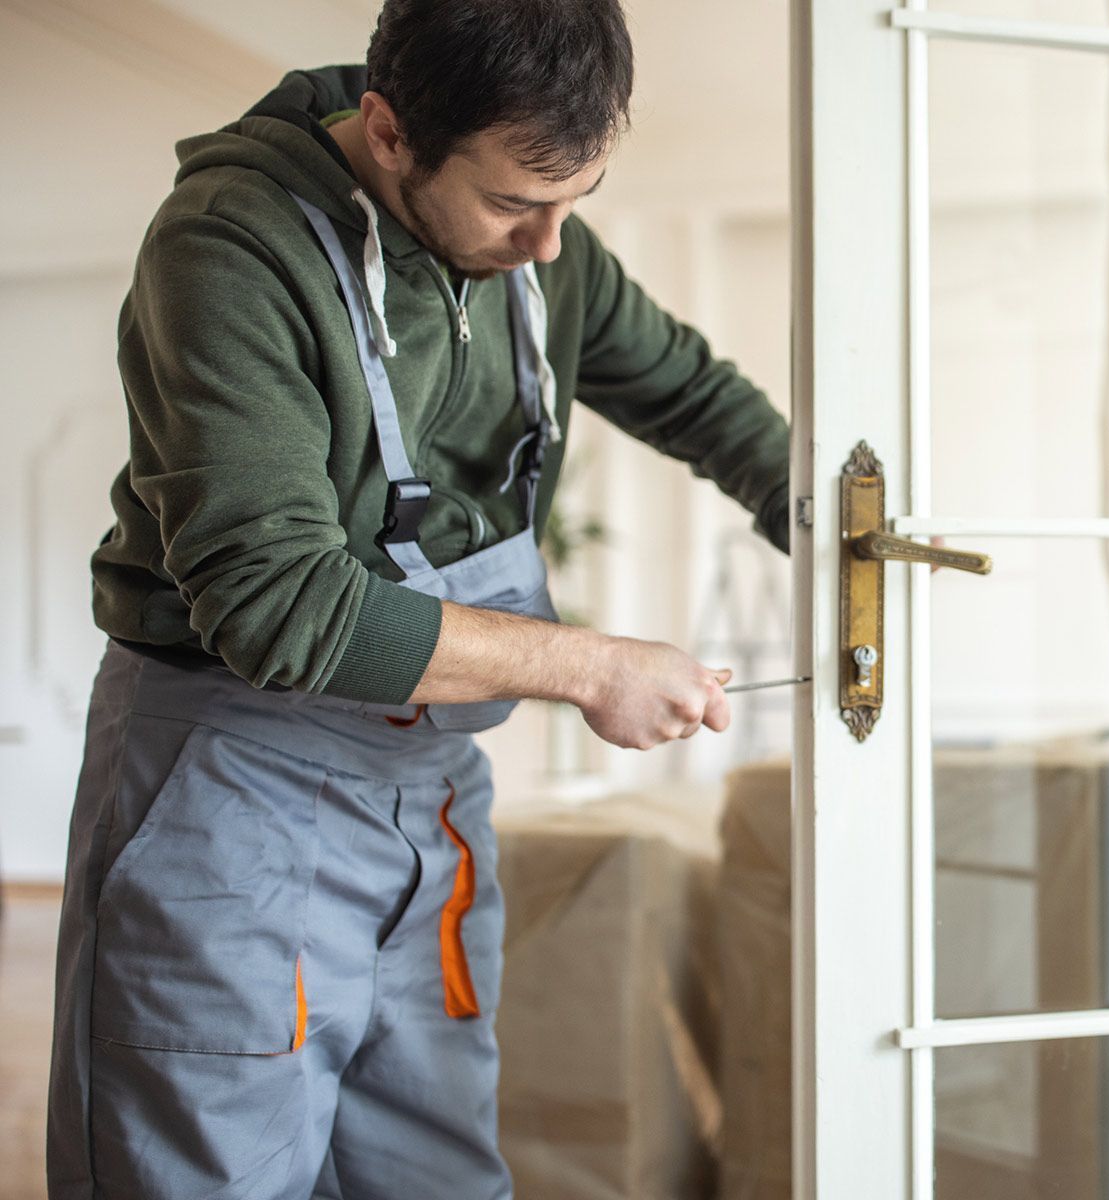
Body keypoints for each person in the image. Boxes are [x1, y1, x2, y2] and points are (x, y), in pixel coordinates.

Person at [45, 2, 789, 1196]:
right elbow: (281, 602)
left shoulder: (544, 253)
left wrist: (830, 517)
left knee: (435, 1174)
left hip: (430, 802)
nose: (550, 245)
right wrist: (591, 667)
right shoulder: (230, 249)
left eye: (575, 203)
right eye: (512, 204)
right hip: (235, 790)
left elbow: (693, 395)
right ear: (388, 133)